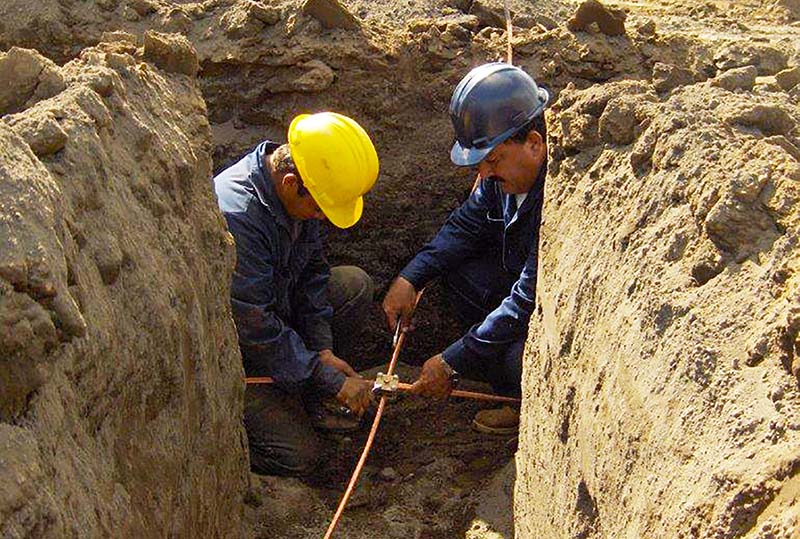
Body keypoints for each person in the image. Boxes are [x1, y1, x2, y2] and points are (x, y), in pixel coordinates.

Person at [382, 63, 550, 435]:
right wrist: (411, 276)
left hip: (542, 312)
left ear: (534, 144)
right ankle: (490, 371)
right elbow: (465, 226)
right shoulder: (500, 178)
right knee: (458, 273)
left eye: (492, 160)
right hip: (517, 286)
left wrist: (452, 360)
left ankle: (519, 401)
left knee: (519, 356)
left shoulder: (558, 199)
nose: (486, 173)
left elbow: (527, 299)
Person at [214, 112, 379, 476]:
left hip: (273, 320)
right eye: (319, 208)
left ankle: (303, 391)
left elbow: (312, 276)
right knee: (301, 457)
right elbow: (254, 330)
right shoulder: (237, 216)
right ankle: (224, 442)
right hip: (237, 356)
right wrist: (329, 379)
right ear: (290, 183)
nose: (322, 218)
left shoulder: (296, 200)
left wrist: (323, 351)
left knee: (353, 286)